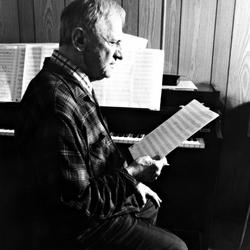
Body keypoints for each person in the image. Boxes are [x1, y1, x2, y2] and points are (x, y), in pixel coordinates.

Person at [15, 0, 188, 250]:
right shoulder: (57, 103)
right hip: (72, 228)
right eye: (114, 42)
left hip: (85, 207)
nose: (120, 53)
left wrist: (135, 182)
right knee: (177, 248)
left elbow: (99, 153)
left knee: (148, 206)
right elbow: (78, 205)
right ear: (80, 40)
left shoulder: (74, 82)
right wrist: (133, 174)